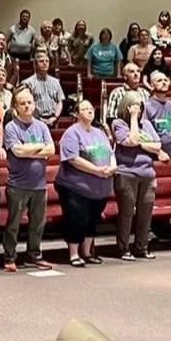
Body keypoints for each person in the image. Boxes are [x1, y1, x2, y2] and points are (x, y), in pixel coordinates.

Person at [56, 100, 115, 268]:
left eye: (91, 108)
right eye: (85, 109)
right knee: (76, 219)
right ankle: (74, 253)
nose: (89, 111)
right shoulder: (71, 133)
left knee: (93, 219)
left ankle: (87, 252)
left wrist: (112, 166)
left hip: (99, 187)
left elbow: (110, 152)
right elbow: (73, 159)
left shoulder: (100, 133)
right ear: (77, 114)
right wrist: (96, 170)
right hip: (76, 187)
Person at [2, 88, 55, 272]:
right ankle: (9, 257)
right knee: (13, 224)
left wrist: (29, 149)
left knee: (38, 223)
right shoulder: (11, 127)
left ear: (34, 104)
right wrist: (39, 147)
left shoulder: (42, 126)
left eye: (29, 102)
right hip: (18, 185)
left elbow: (51, 150)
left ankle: (34, 255)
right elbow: (17, 151)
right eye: (22, 103)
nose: (26, 106)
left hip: (39, 185)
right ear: (16, 107)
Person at [112, 91, 166, 261]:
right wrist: (134, 119)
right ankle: (123, 248)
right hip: (126, 173)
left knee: (145, 212)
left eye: (140, 107)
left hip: (147, 174)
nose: (139, 110)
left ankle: (141, 247)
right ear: (126, 107)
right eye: (134, 107)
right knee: (127, 213)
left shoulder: (147, 124)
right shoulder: (119, 124)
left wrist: (141, 144)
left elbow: (157, 146)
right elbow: (132, 141)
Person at [20, 53, 64, 126]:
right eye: (41, 61)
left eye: (47, 61)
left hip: (54, 120)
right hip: (34, 121)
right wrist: (37, 118)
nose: (44, 63)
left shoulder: (56, 82)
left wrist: (55, 117)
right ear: (35, 65)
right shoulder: (27, 83)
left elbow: (60, 102)